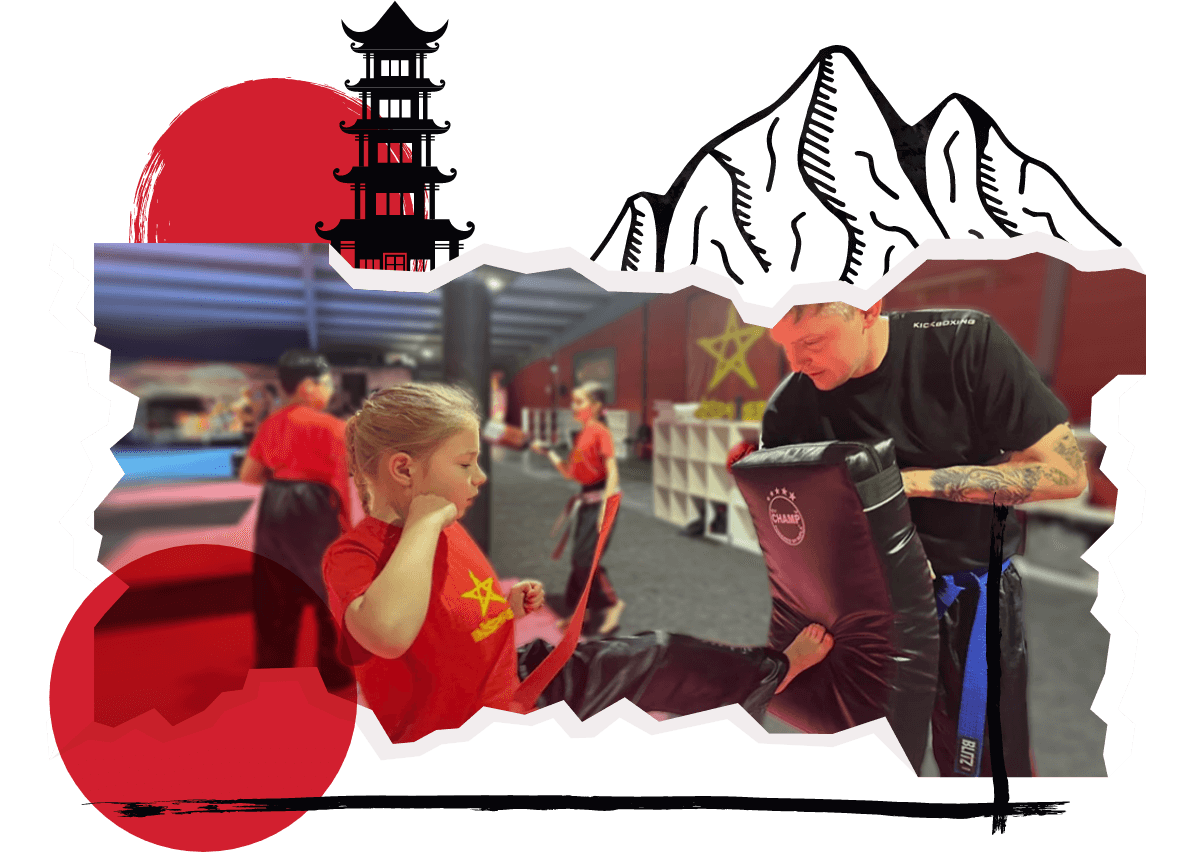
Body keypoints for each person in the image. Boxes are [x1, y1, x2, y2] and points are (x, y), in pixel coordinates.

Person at [322, 383, 835, 745]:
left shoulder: (449, 528)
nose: (479, 477)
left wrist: (503, 606)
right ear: (404, 469)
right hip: (469, 724)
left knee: (658, 653)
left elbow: (445, 617)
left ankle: (773, 671)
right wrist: (421, 524)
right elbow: (388, 632)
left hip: (516, 674)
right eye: (464, 464)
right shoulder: (355, 555)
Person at [761, 300, 1088, 777]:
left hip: (968, 595)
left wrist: (906, 483)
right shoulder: (790, 407)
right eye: (785, 346)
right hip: (864, 608)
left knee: (982, 764)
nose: (797, 363)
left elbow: (1066, 473)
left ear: (867, 309)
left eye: (811, 342)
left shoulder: (963, 342)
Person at [238, 350, 355, 691]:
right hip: (316, 512)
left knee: (275, 595)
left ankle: (273, 672)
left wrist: (283, 482)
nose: (330, 390)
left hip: (275, 509)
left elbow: (249, 475)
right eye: (327, 382)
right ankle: (333, 674)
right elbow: (343, 483)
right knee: (328, 595)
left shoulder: (270, 425)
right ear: (307, 386)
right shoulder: (333, 427)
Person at [529, 383, 626, 636]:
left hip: (602, 501)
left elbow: (613, 470)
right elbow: (571, 474)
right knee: (579, 560)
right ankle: (582, 613)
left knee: (585, 560)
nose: (574, 407)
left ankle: (612, 604)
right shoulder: (581, 435)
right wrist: (550, 454)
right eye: (573, 402)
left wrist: (606, 507)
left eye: (579, 402)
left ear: (595, 407)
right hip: (585, 502)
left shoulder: (600, 431)